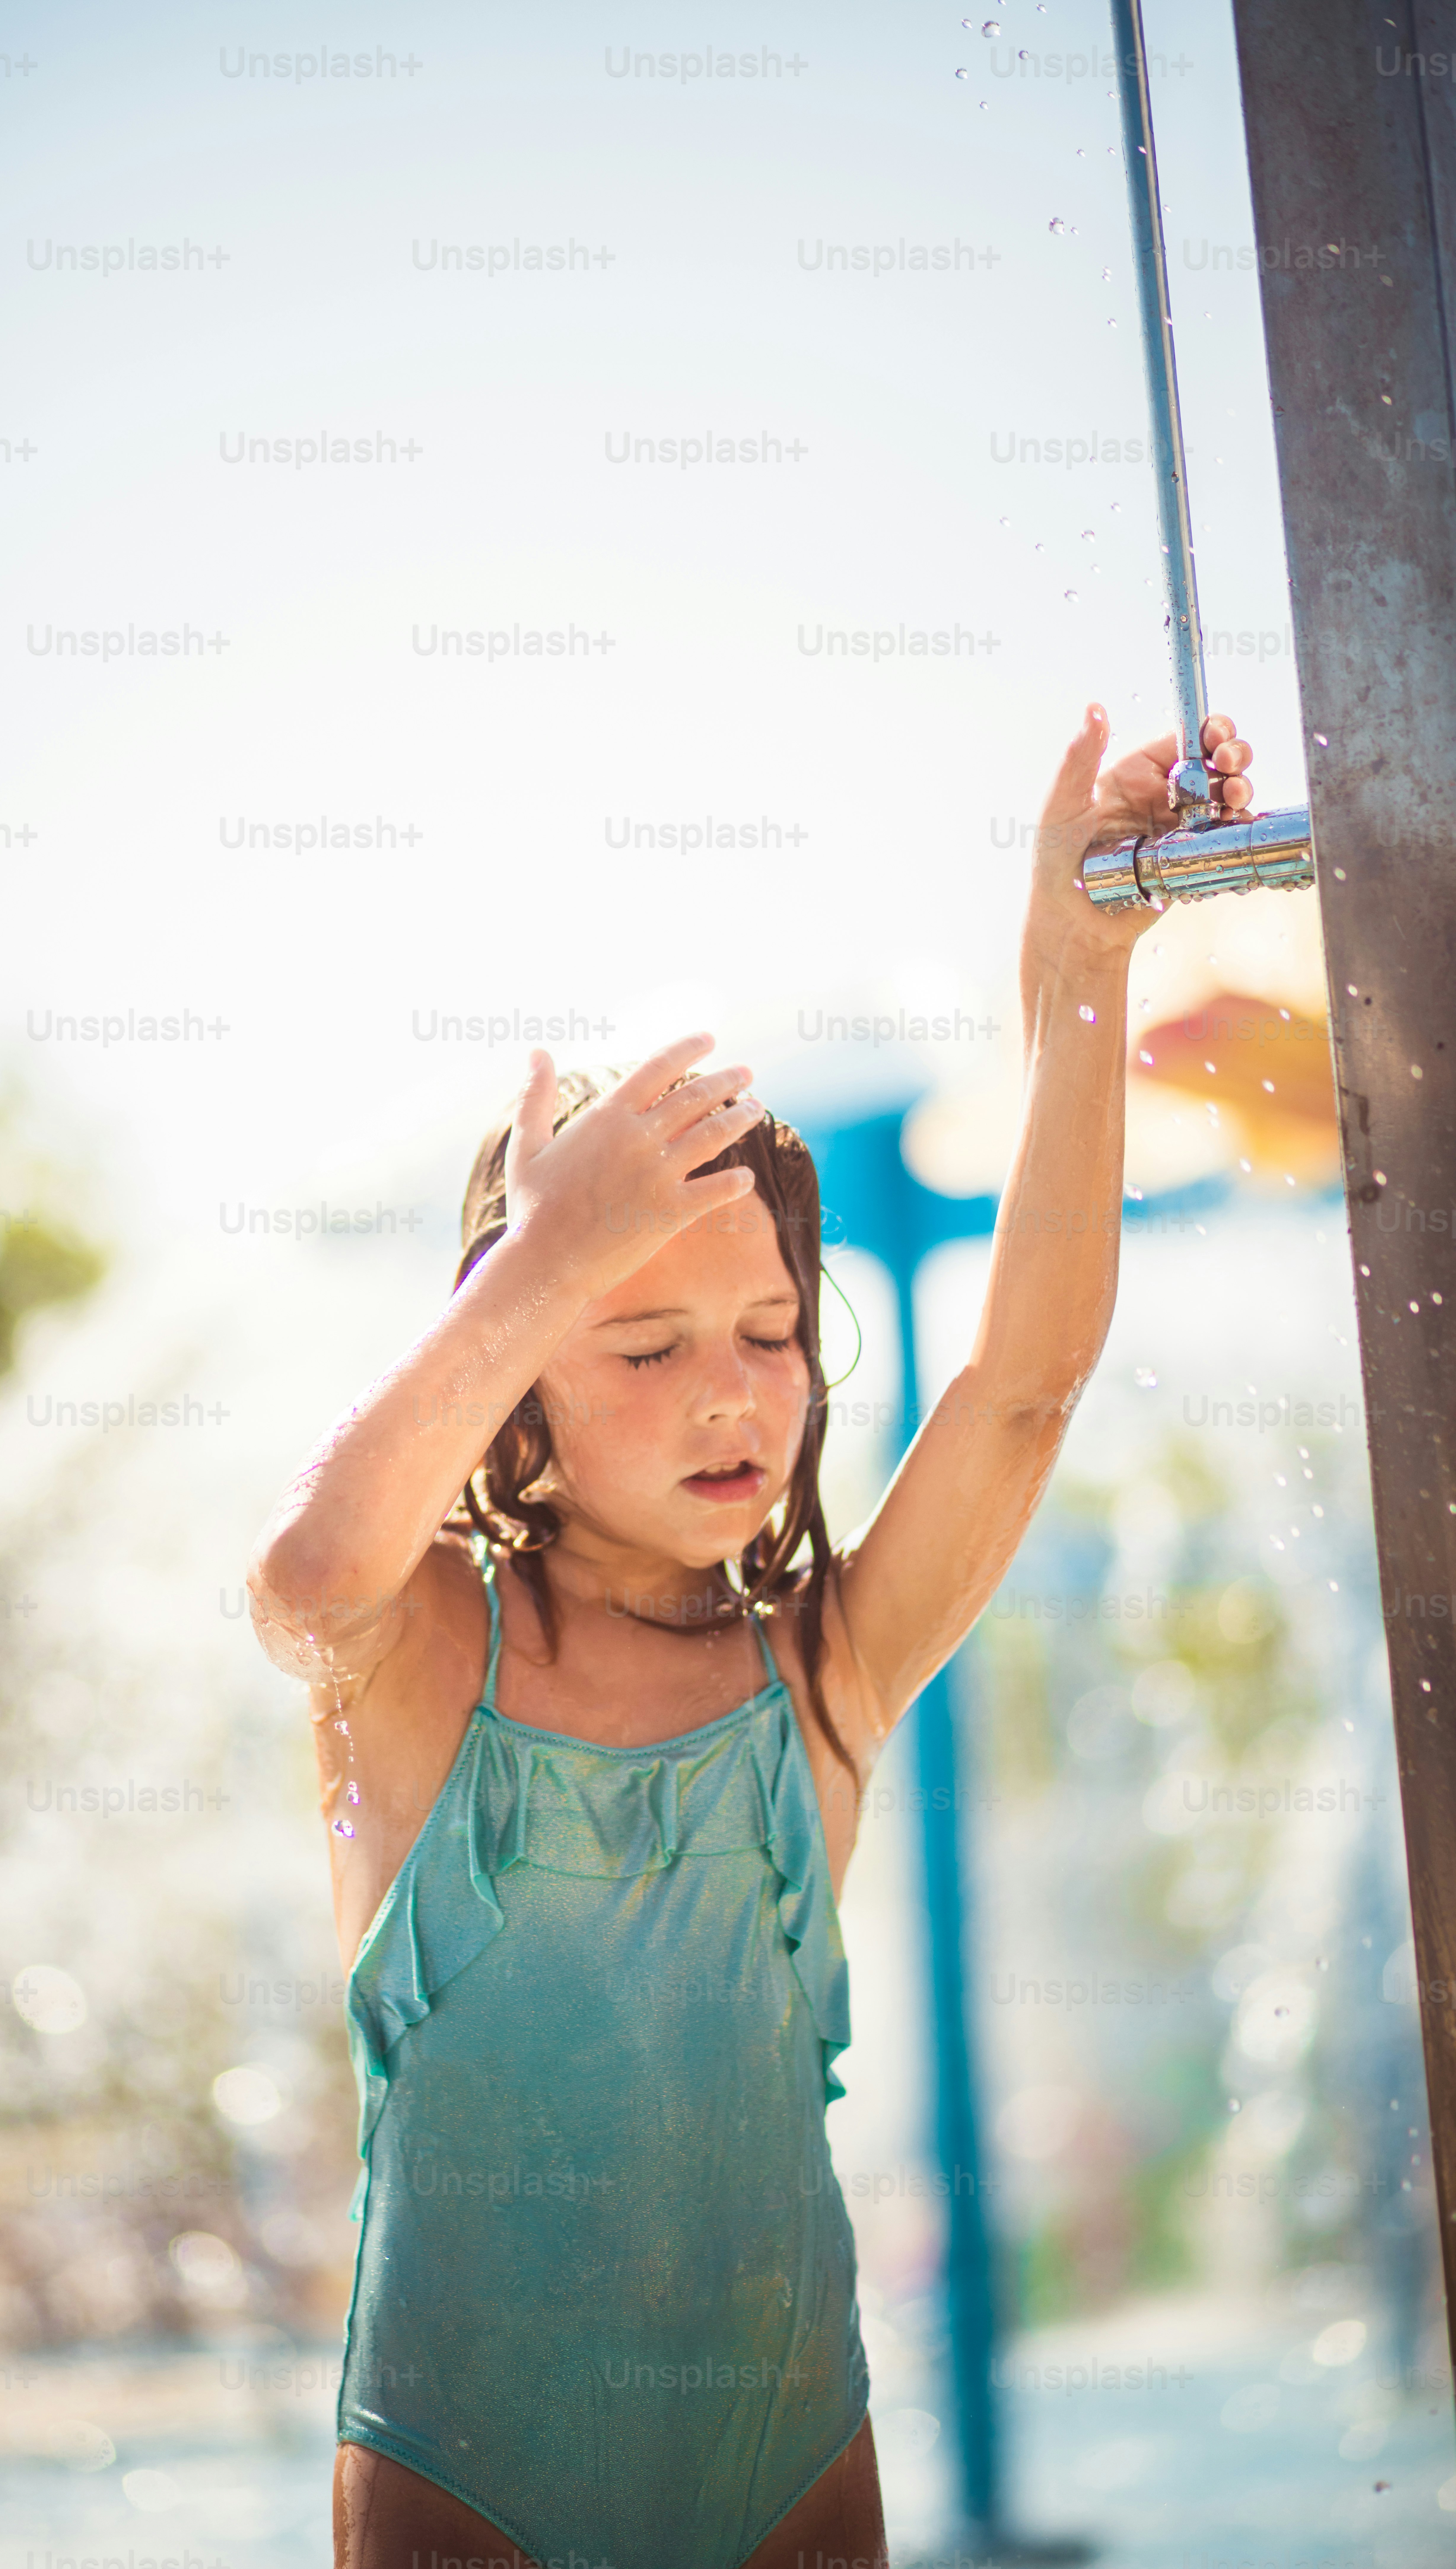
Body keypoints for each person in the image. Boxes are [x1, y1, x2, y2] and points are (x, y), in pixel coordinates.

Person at [247, 706, 1256, 2569]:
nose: (733, 1397)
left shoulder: (820, 1671)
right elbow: (303, 1580)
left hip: (789, 2456)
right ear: (514, 1389)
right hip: (470, 2478)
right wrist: (542, 1257)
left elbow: (1026, 1381)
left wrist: (1079, 958)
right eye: (644, 1347)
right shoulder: (423, 1656)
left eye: (771, 1334)